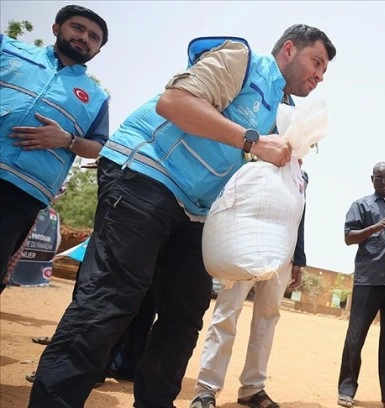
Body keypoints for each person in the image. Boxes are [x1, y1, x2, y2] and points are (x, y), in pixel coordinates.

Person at [29, 24, 336, 407]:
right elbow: (174, 103)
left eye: (324, 72)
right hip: (145, 175)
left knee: (185, 314)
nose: (319, 76)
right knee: (111, 299)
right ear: (289, 49)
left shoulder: (279, 109)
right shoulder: (241, 60)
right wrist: (254, 141)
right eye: (316, 62)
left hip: (195, 210)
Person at [0, 4, 110, 295]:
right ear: (56, 28)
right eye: (78, 28)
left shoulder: (97, 98)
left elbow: (98, 146)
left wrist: (67, 140)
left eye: (94, 37)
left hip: (22, 195)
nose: (85, 37)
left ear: (97, 51)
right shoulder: (9, 50)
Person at [191, 170, 309, 408]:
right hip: (244, 246)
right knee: (228, 312)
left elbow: (299, 217)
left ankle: (253, 388)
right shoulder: (254, 160)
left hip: (281, 255)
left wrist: (298, 258)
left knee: (267, 318)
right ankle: (206, 388)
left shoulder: (301, 176)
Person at [337, 161, 385, 408]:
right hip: (369, 280)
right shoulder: (362, 205)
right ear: (372, 179)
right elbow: (349, 238)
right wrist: (375, 227)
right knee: (355, 337)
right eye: (378, 178)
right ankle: (346, 390)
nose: (383, 182)